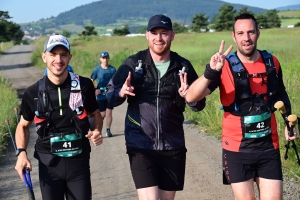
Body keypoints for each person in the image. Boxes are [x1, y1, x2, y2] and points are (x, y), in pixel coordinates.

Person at [185, 13, 297, 200]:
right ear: (234, 36)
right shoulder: (225, 66)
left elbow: (281, 95)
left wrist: (289, 123)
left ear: (258, 34)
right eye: (241, 33)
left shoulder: (272, 63)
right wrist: (211, 72)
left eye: (251, 32)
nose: (246, 38)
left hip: (268, 146)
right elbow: (191, 97)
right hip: (237, 149)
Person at [106, 14, 206, 200]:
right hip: (141, 144)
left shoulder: (182, 67)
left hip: (173, 145)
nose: (159, 38)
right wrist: (121, 92)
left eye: (164, 33)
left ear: (172, 35)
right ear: (147, 35)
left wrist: (189, 97)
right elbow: (108, 98)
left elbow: (199, 105)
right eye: (154, 33)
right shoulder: (133, 63)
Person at [14, 34, 103, 200]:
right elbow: (23, 126)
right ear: (44, 57)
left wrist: (97, 130)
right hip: (49, 165)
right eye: (53, 54)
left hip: (78, 163)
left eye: (63, 54)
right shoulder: (32, 92)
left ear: (69, 57)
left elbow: (95, 114)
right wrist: (21, 154)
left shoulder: (84, 86)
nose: (58, 59)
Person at [91, 51, 116, 137]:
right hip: (100, 94)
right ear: (100, 59)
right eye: (103, 58)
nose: (105, 60)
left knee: (109, 112)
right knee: (102, 114)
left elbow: (116, 81)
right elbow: (91, 81)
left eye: (106, 58)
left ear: (108, 58)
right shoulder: (97, 70)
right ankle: (97, 128)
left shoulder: (112, 69)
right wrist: (94, 90)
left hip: (109, 93)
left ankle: (108, 130)